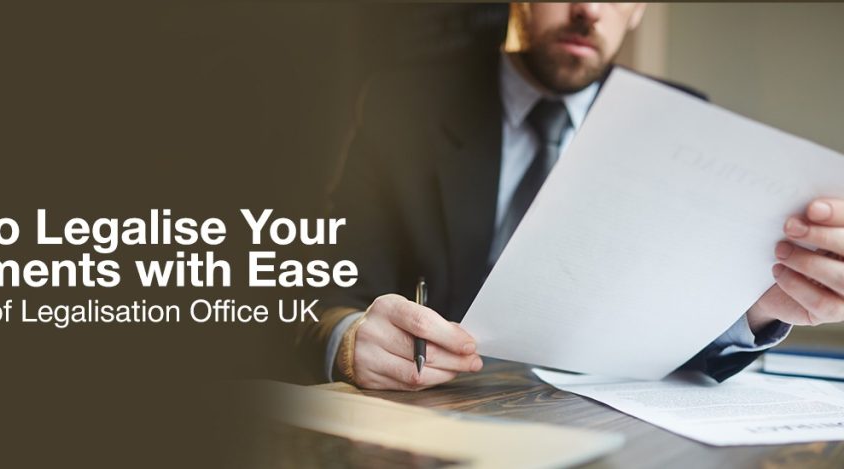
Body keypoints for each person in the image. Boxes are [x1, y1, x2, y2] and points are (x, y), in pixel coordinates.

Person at [304, 3, 844, 391]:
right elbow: (326, 283)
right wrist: (347, 339)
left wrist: (760, 307)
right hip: (434, 411)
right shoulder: (403, 103)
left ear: (639, 11)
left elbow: (674, 326)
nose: (589, 9)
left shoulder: (682, 121)